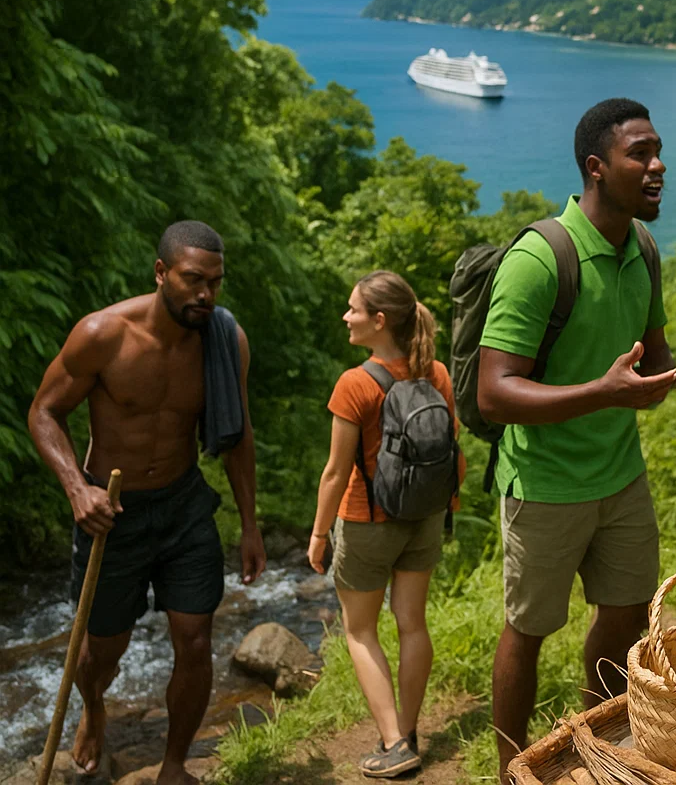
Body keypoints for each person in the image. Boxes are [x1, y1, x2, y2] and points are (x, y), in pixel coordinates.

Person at [477, 97, 676, 774]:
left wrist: (674, 374)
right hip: (546, 485)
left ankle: (594, 755)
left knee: (620, 624)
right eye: (639, 154)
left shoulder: (642, 249)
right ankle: (509, 767)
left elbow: (641, 365)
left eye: (657, 150)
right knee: (527, 633)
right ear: (596, 168)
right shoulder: (540, 258)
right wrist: (603, 393)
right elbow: (493, 392)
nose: (658, 165)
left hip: (621, 479)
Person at [28, 220, 265, 785]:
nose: (205, 295)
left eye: (215, 282)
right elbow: (43, 413)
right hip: (113, 513)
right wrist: (75, 489)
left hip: (184, 507)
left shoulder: (225, 341)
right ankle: (95, 707)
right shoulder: (103, 334)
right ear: (161, 274)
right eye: (192, 281)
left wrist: (250, 526)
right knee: (103, 651)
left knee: (196, 635)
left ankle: (175, 764)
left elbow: (239, 435)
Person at [307, 270, 463, 778]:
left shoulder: (355, 383)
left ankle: (394, 744)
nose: (345, 317)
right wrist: (450, 508)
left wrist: (317, 535)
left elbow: (335, 471)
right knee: (412, 623)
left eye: (353, 309)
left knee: (359, 631)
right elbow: (453, 448)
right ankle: (410, 731)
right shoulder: (436, 373)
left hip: (367, 520)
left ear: (379, 320)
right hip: (424, 519)